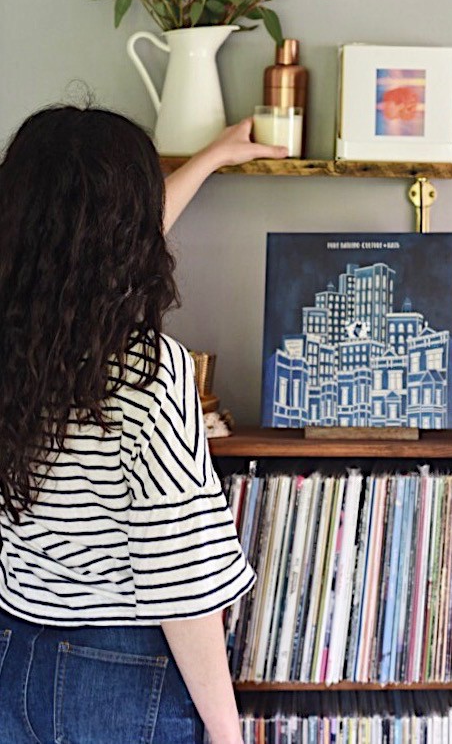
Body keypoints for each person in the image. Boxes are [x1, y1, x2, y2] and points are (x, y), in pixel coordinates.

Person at [0, 106, 285, 744]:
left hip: (12, 651)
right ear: (132, 232)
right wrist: (224, 727)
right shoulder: (149, 373)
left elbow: (71, 254)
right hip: (116, 675)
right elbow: (182, 579)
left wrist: (210, 157)